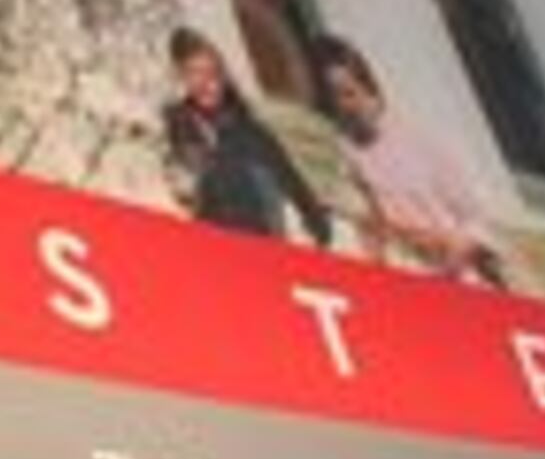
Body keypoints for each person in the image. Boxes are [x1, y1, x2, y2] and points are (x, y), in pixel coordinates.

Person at [307, 32, 510, 285]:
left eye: (350, 92)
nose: (348, 105)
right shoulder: (336, 158)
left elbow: (481, 221)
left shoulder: (422, 142)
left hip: (459, 284)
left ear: (371, 86)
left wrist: (457, 246)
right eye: (334, 98)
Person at [156, 27, 331, 246]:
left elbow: (289, 175)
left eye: (212, 72)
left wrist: (315, 219)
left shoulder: (250, 129)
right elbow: (186, 179)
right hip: (215, 238)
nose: (206, 83)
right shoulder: (178, 123)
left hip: (263, 237)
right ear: (182, 76)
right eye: (194, 73)